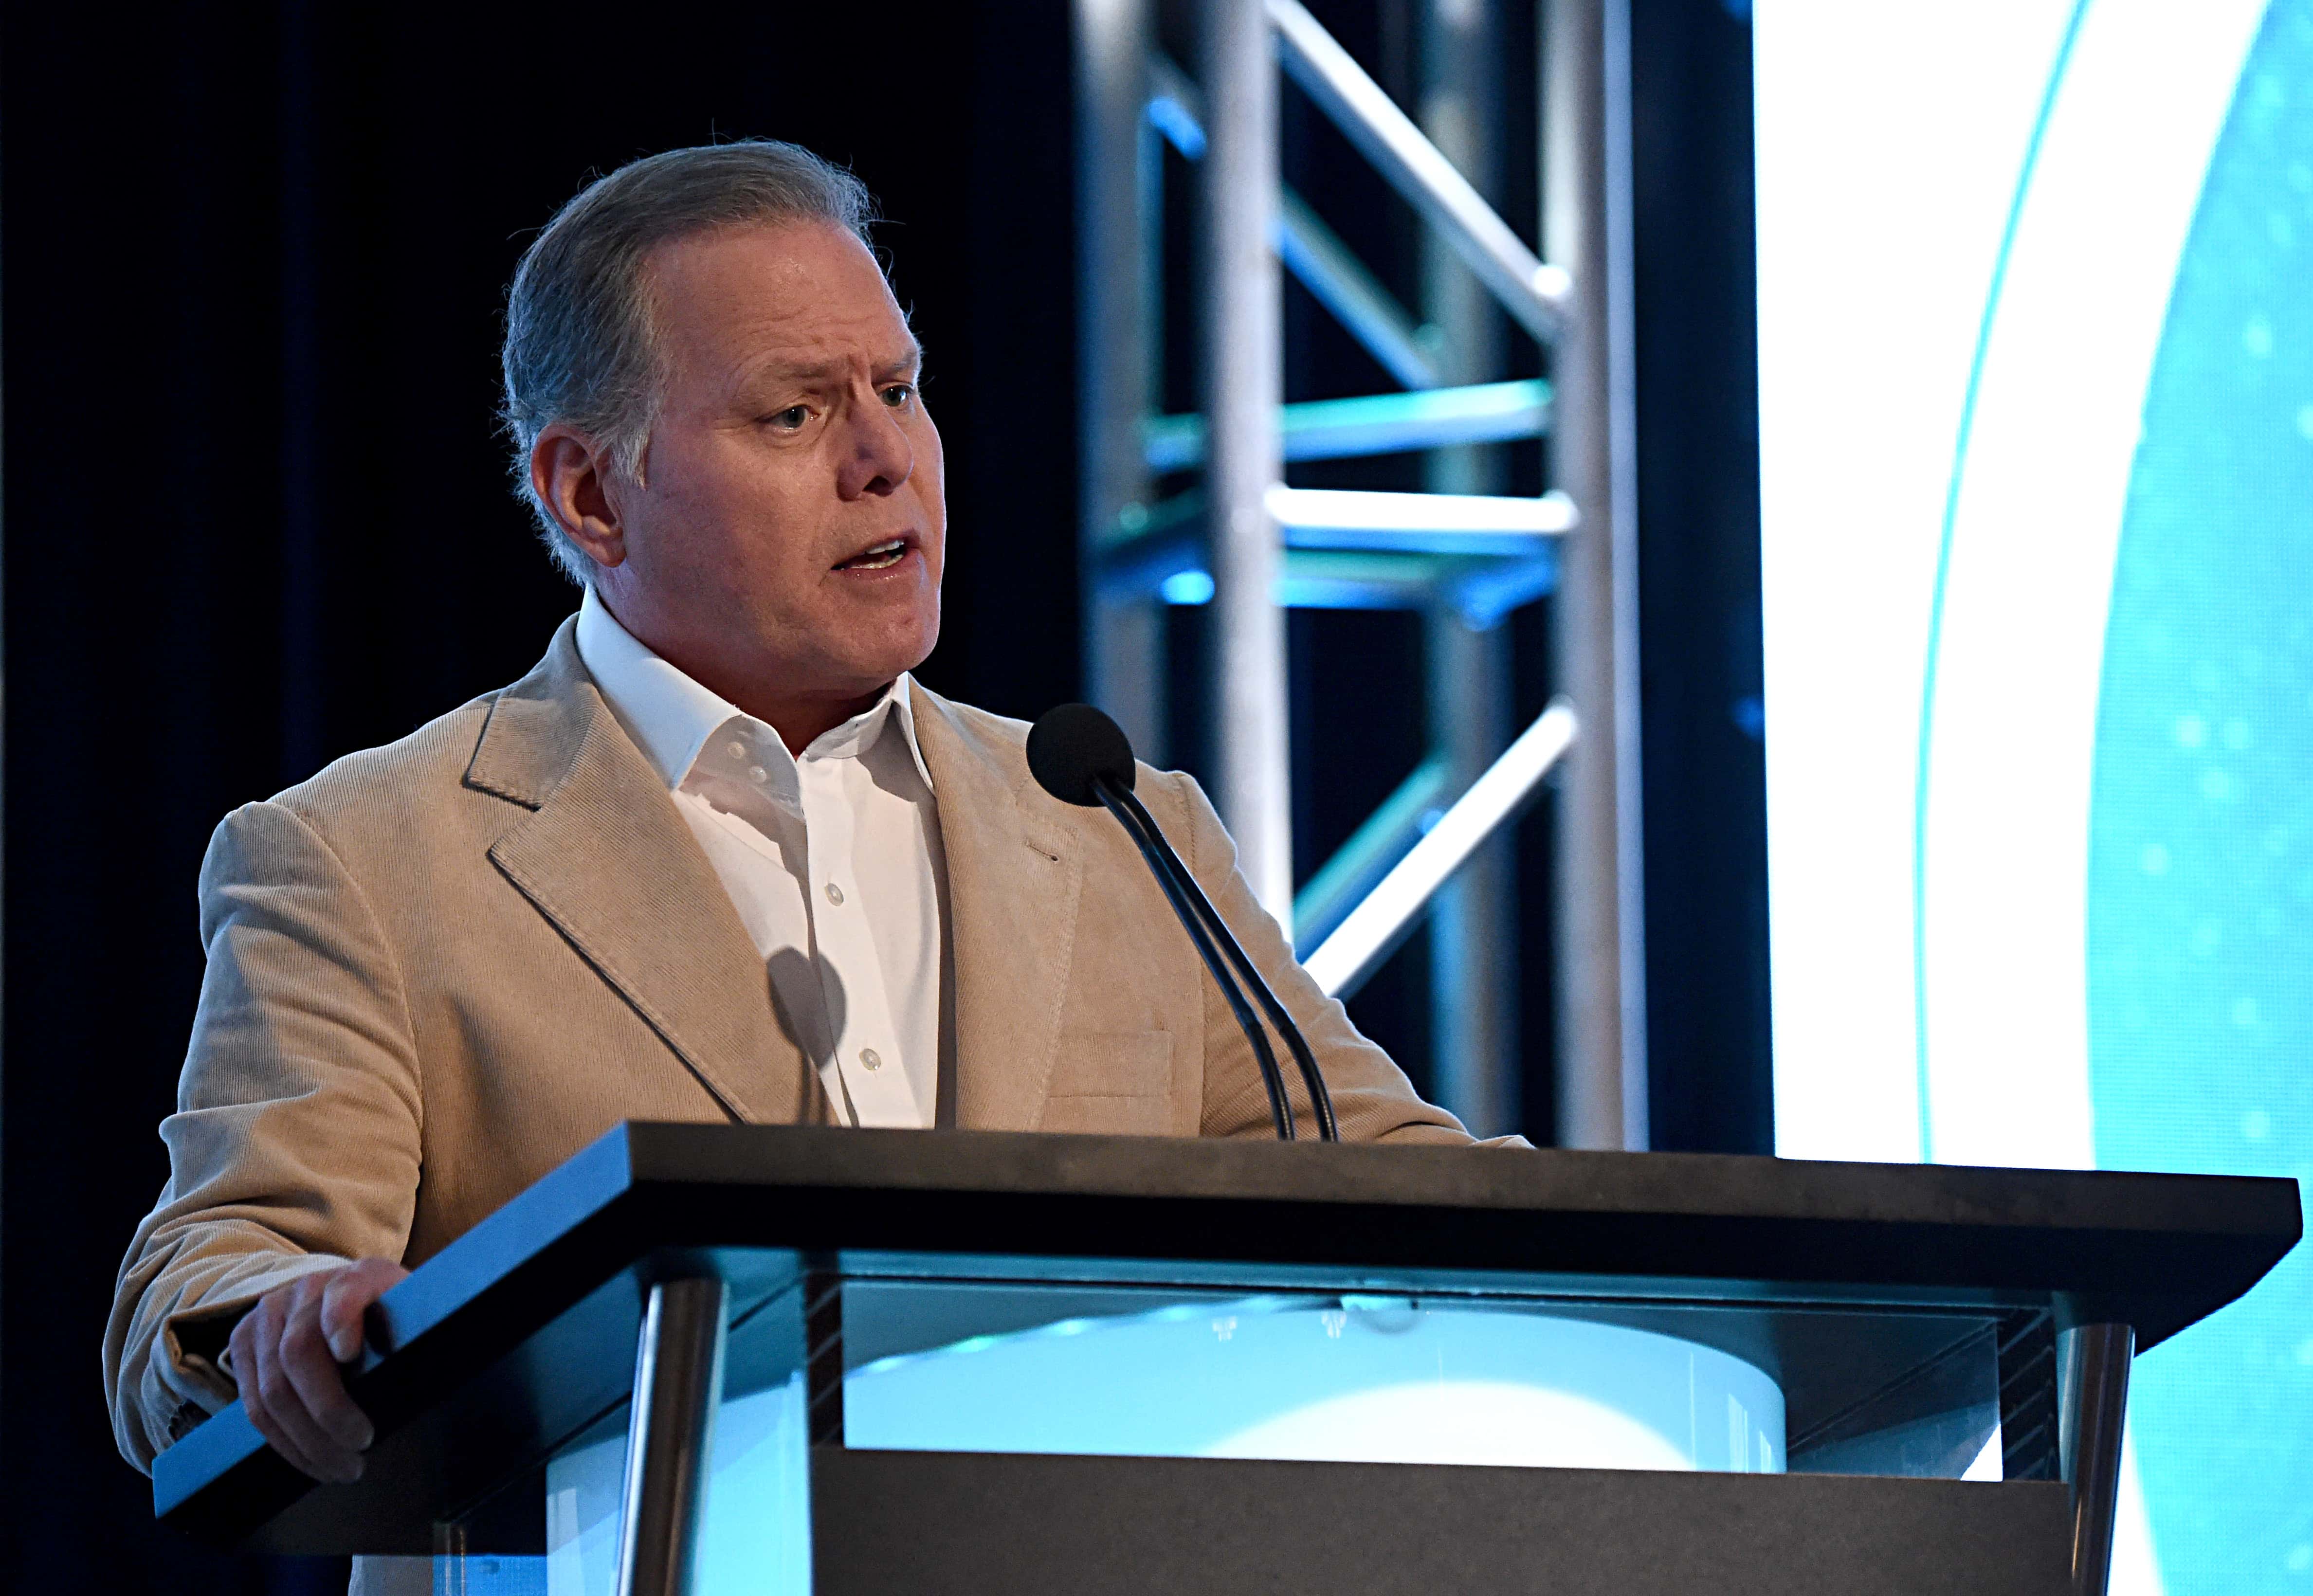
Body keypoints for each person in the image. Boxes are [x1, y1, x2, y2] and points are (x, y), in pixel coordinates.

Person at [105, 141, 1499, 1505]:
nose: (887, 459)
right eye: (794, 414)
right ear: (591, 495)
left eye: (898, 389)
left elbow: (1397, 1190)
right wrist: (284, 1319)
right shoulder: (369, 857)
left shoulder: (1110, 824)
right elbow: (211, 1276)